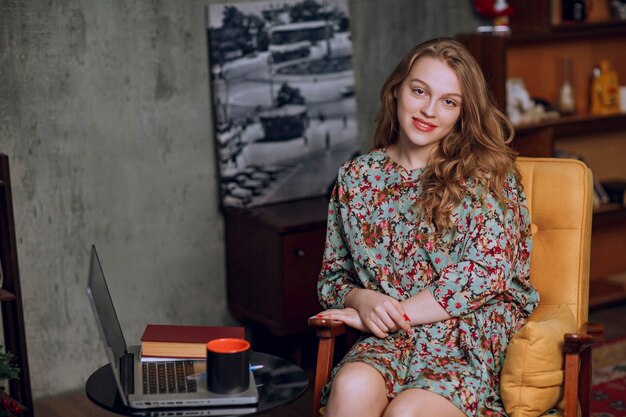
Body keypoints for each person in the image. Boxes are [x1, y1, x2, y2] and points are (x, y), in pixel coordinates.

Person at [315, 37, 539, 417]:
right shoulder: (356, 177)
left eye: (449, 101)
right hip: (390, 340)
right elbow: (333, 278)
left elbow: (484, 275)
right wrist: (361, 301)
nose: (429, 110)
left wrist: (394, 312)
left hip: (465, 337)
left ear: (462, 113)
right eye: (420, 91)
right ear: (397, 90)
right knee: (350, 386)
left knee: (408, 412)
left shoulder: (488, 176)